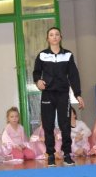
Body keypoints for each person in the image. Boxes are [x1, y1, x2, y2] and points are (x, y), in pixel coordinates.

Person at [33, 26, 83, 167]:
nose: (54, 37)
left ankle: (67, 154)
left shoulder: (68, 55)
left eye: (57, 34)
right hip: (47, 93)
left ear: (60, 37)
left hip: (62, 94)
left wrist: (78, 94)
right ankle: (50, 155)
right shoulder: (42, 55)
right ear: (47, 38)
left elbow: (74, 76)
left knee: (64, 124)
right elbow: (36, 72)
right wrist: (38, 81)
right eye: (51, 35)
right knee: (48, 125)